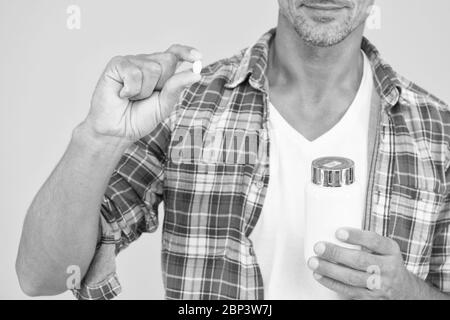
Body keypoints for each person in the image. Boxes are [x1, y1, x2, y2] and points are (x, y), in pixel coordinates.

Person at [16, 0, 450, 300]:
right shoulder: (187, 104)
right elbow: (42, 276)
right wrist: (98, 136)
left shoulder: (438, 133)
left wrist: (404, 290)